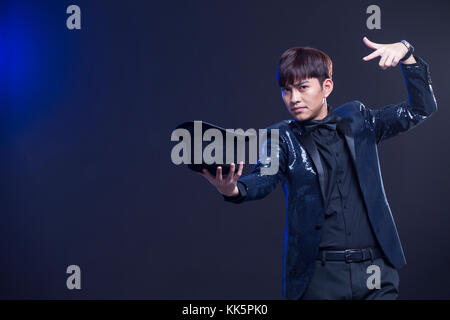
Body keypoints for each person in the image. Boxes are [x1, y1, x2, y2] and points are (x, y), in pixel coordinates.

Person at [198, 37, 438, 300]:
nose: (293, 98)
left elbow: (420, 108)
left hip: (376, 271)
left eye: (302, 87)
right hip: (319, 279)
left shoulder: (359, 120)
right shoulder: (280, 137)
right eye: (286, 90)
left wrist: (407, 53)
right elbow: (263, 177)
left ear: (327, 87)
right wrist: (234, 189)